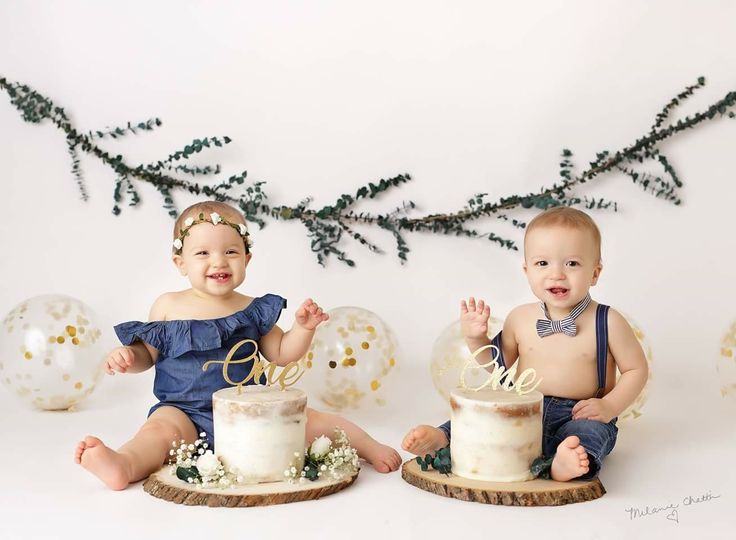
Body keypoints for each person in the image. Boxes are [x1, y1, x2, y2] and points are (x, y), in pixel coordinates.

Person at [75, 201, 401, 490]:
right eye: (203, 253)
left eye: (230, 252)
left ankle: (368, 446)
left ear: (247, 258)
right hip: (183, 411)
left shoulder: (252, 310)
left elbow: (282, 354)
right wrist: (128, 356)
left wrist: (302, 328)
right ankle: (123, 464)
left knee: (311, 421)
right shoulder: (168, 305)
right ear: (180, 262)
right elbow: (148, 354)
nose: (218, 262)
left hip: (250, 411)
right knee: (157, 433)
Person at [402, 206, 647, 481]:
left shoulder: (608, 321)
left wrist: (610, 406)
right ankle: (445, 436)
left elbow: (636, 370)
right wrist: (476, 338)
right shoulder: (520, 318)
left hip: (580, 412)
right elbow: (498, 366)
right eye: (543, 263)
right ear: (527, 269)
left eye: (572, 263)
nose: (557, 274)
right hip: (525, 404)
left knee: (591, 435)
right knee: (484, 416)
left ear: (595, 273)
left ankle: (565, 462)